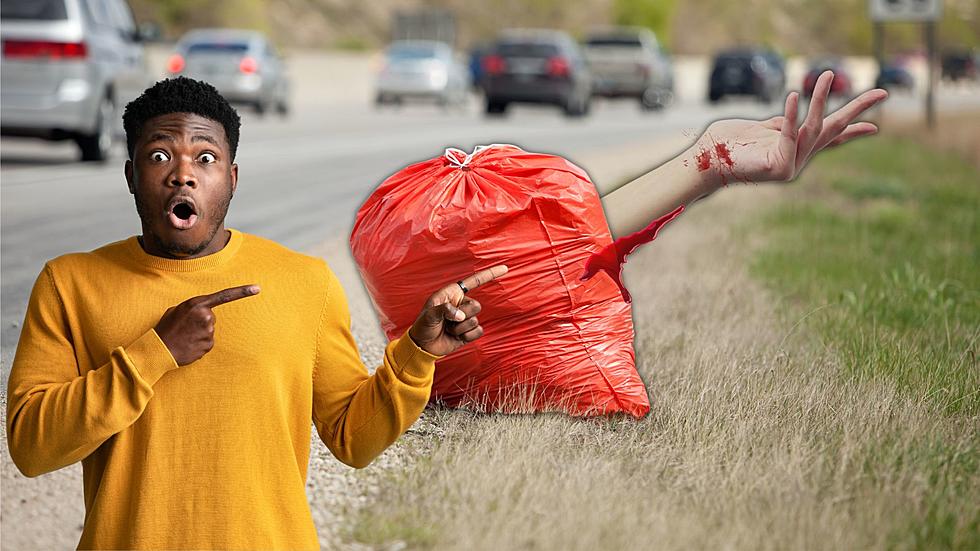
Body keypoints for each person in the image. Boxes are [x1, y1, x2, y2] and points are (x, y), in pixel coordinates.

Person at [5, 76, 507, 550]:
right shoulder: (69, 283)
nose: (183, 174)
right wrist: (153, 354)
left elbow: (355, 439)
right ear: (132, 175)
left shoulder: (303, 282)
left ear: (232, 177)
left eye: (206, 158)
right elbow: (31, 447)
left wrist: (417, 354)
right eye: (160, 156)